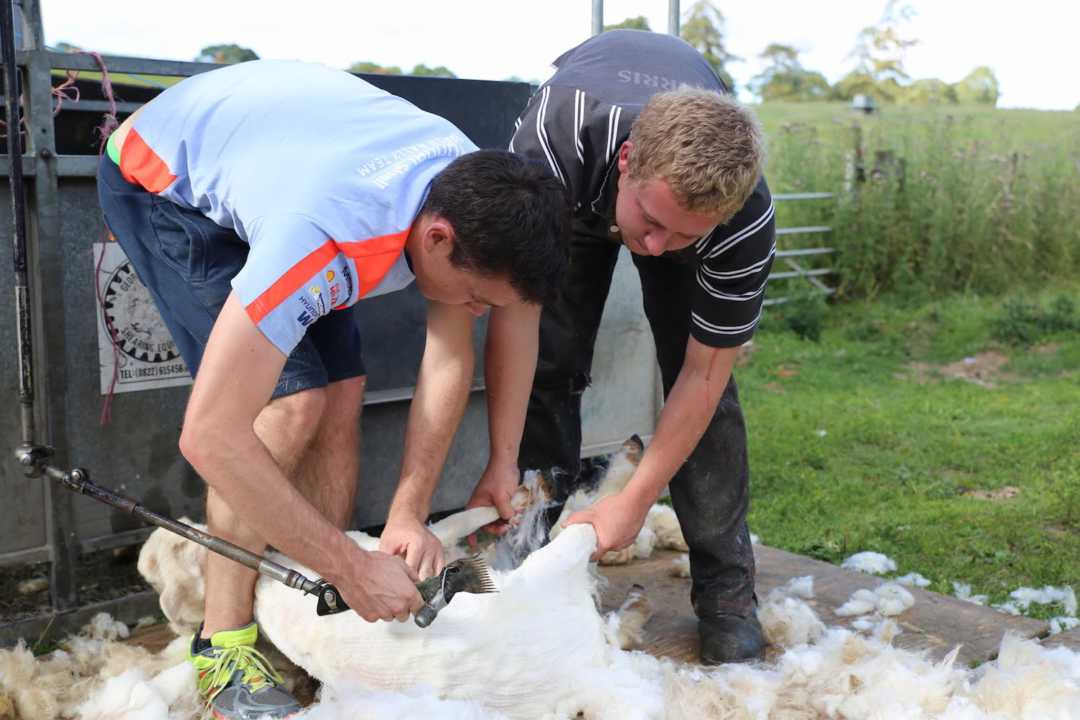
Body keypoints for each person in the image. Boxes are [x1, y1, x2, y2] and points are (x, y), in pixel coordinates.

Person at [98, 59, 568, 718]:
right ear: (438, 239)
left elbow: (446, 360)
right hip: (165, 176)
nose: (479, 310)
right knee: (291, 404)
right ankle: (222, 645)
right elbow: (210, 435)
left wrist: (407, 511)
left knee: (341, 392)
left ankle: (308, 612)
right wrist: (354, 563)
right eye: (476, 296)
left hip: (293, 160)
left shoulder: (474, 192)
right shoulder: (322, 239)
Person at [468, 29, 775, 665]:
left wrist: (633, 502)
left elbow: (703, 373)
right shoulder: (551, 146)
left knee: (707, 398)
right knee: (552, 360)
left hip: (655, 197)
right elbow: (517, 321)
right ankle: (527, 547)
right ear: (631, 160)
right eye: (654, 225)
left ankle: (727, 593)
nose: (658, 248)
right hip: (574, 191)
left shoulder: (742, 220)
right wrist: (500, 458)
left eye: (685, 234)